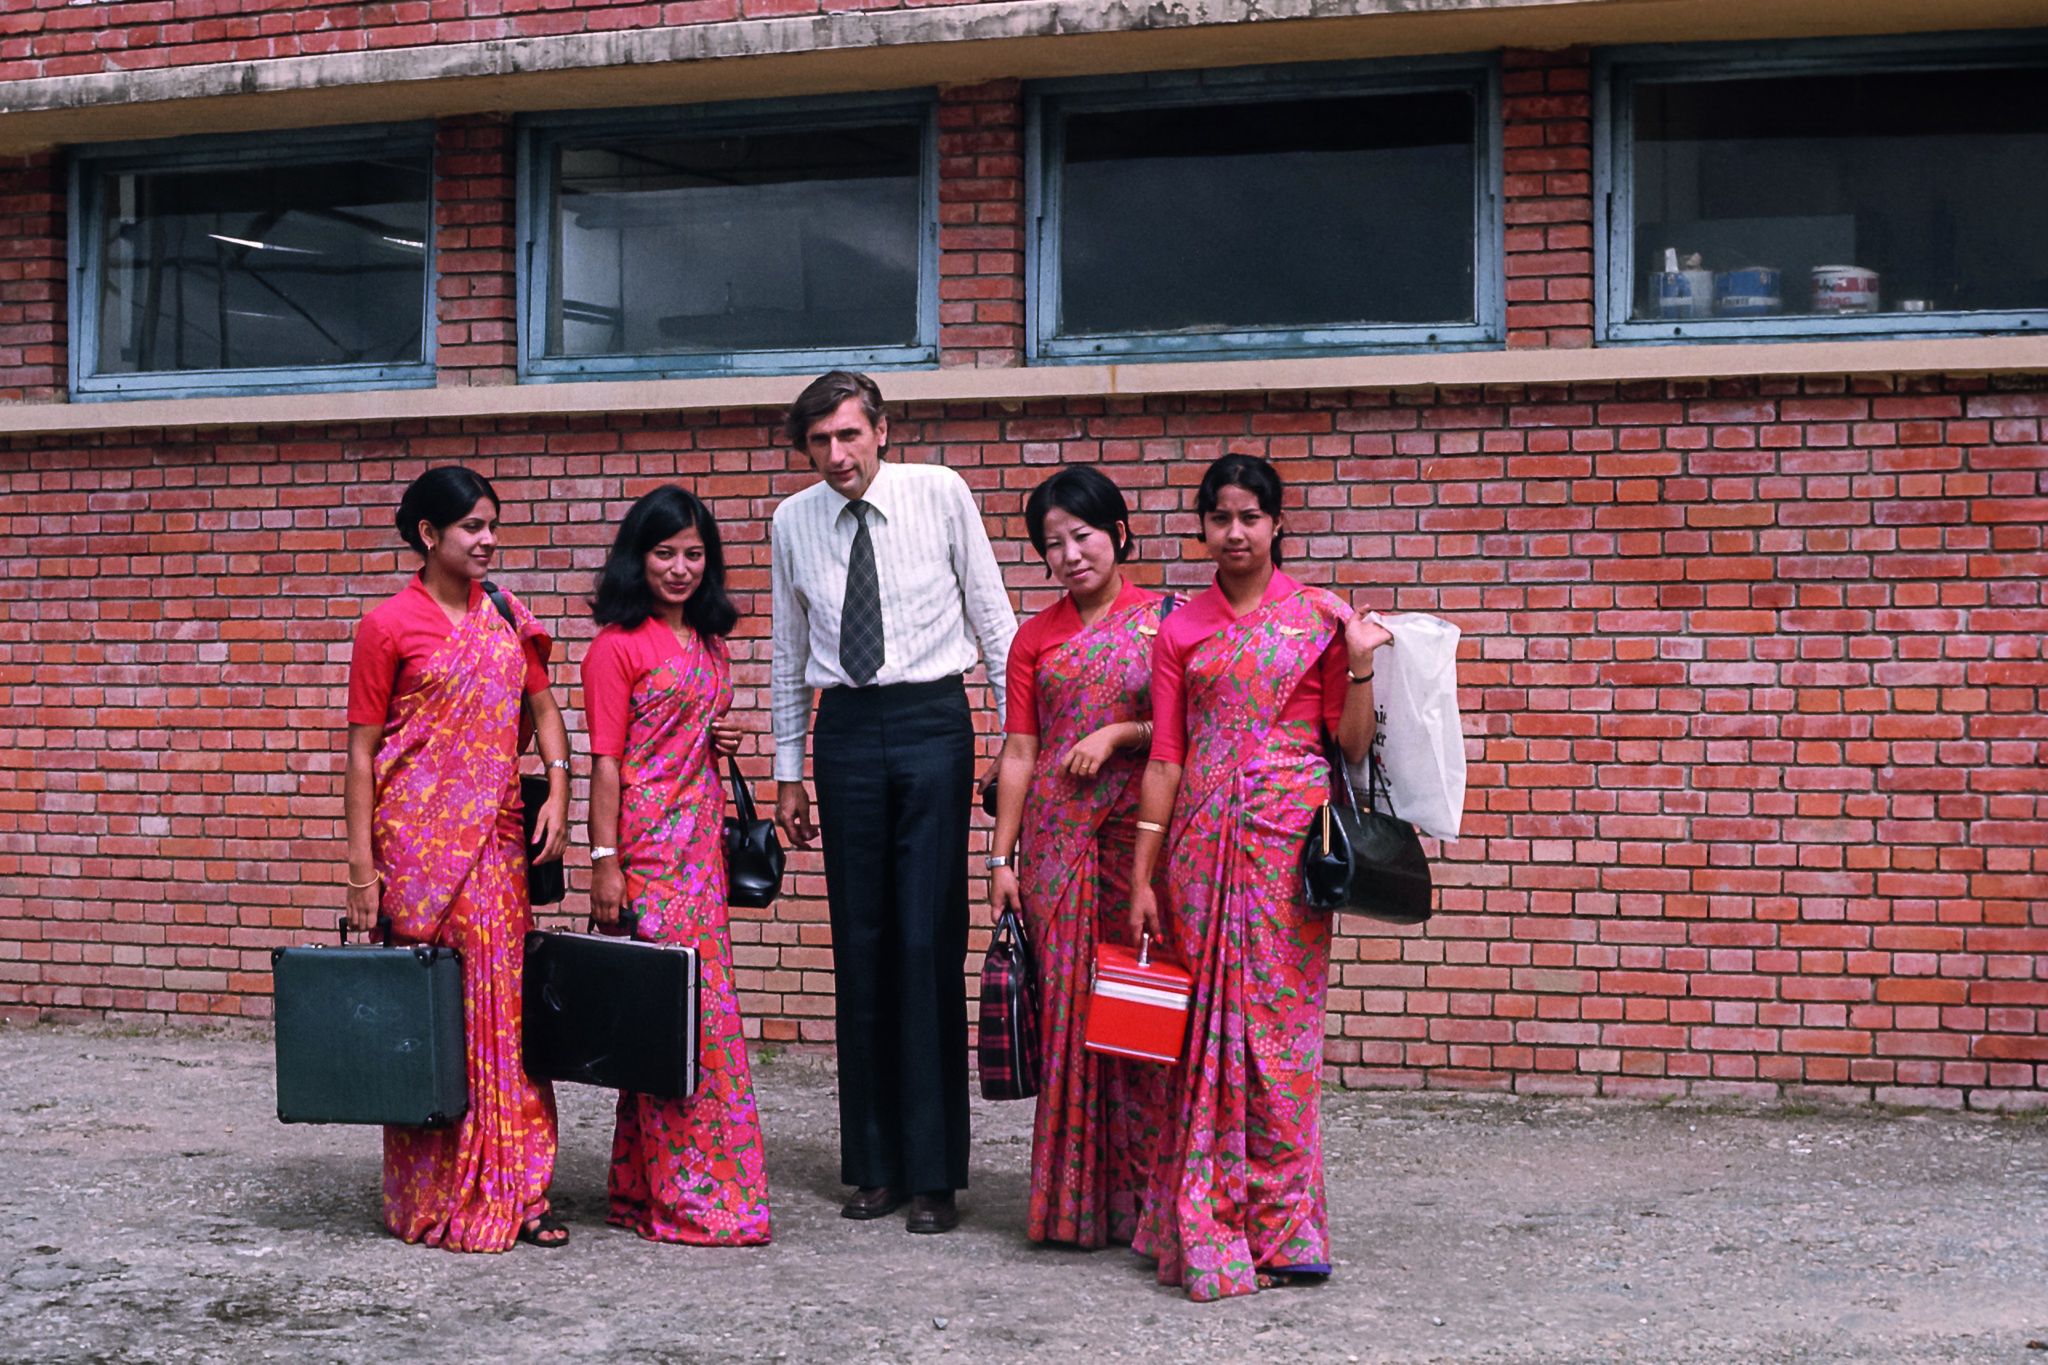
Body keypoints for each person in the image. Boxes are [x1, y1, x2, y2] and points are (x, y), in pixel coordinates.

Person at [1125, 453, 1392, 1302]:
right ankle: (1206, 1215)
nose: (1235, 532)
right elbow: (1166, 758)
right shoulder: (1180, 629)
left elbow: (1348, 746)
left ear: (1277, 524)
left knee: (1280, 1039)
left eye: (1251, 516)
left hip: (1288, 848)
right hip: (1200, 845)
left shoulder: (1319, 617)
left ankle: (1284, 1226)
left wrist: (1357, 663)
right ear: (1202, 526)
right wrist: (1142, 872)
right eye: (1220, 517)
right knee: (1204, 1037)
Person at [769, 370, 1017, 1235]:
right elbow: (786, 648)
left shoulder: (940, 493)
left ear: (880, 429)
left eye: (848, 435)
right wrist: (788, 767)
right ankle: (873, 1165)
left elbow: (995, 621)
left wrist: (1017, 741)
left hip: (931, 720)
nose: (836, 455)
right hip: (845, 732)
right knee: (862, 944)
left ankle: (936, 1171)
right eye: (819, 442)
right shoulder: (792, 520)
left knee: (926, 938)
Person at [342, 465, 570, 1251]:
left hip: (499, 844)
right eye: (472, 526)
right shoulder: (386, 626)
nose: (488, 539)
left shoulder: (505, 613)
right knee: (431, 1015)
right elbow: (363, 753)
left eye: (492, 524)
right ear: (428, 536)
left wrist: (562, 790)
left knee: (503, 1015)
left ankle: (522, 1187)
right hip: (415, 850)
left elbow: (542, 706)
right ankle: (433, 1190)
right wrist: (361, 869)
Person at [582, 485, 773, 1247]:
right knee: (682, 1018)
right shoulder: (615, 647)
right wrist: (605, 863)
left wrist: (717, 738)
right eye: (665, 552)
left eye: (695, 553)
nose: (681, 567)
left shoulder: (711, 643)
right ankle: (696, 1197)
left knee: (679, 1015)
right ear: (639, 556)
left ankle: (638, 1188)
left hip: (703, 851)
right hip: (648, 850)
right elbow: (605, 765)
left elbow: (687, 728)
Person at [987, 467, 1169, 1249]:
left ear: (1119, 532)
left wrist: (1119, 734)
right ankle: (1073, 1208)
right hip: (1056, 843)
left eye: (1083, 535)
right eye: (1053, 543)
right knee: (1066, 1015)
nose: (1069, 554)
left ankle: (1148, 1204)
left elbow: (1181, 731)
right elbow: (1020, 751)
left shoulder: (1168, 621)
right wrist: (1000, 857)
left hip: (1142, 839)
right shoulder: (1036, 636)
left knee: (1140, 1014)